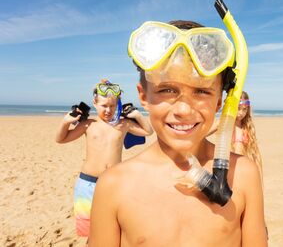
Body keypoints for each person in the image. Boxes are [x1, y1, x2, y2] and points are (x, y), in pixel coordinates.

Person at [89, 19, 267, 246]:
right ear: (143, 95)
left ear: (219, 101)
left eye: (202, 91)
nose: (184, 110)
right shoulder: (114, 185)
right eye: (166, 89)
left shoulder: (243, 174)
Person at [55, 80, 153, 239]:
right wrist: (66, 122)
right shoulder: (88, 125)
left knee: (114, 225)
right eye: (103, 106)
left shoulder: (123, 124)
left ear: (117, 105)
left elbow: (148, 131)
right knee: (88, 229)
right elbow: (61, 139)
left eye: (112, 106)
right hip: (88, 183)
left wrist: (136, 115)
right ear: (95, 103)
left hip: (114, 182)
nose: (108, 110)